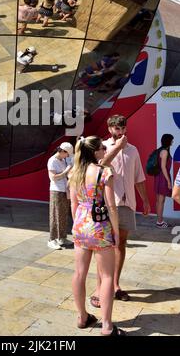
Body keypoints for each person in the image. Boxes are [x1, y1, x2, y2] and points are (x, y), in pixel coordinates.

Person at [91, 115, 151, 307]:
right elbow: (100, 167)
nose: (121, 131)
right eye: (117, 128)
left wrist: (145, 200)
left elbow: (139, 177)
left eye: (123, 127)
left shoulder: (133, 150)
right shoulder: (103, 147)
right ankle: (99, 288)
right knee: (104, 246)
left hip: (127, 203)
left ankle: (115, 284)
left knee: (121, 244)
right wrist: (117, 147)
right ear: (110, 129)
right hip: (108, 204)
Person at [69, 136, 126, 336]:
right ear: (95, 151)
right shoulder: (104, 172)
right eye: (102, 147)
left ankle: (82, 316)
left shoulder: (75, 172)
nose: (105, 149)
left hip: (80, 225)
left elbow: (73, 204)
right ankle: (107, 326)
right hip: (100, 227)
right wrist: (116, 232)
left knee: (79, 273)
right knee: (107, 275)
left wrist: (78, 225)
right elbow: (111, 205)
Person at [47, 142, 74, 250]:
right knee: (55, 215)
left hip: (64, 190)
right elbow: (53, 177)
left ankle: (62, 237)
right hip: (56, 191)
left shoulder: (62, 160)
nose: (67, 156)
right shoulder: (52, 160)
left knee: (63, 215)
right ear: (63, 151)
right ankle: (52, 239)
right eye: (67, 154)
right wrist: (66, 170)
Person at [154, 134, 174, 228]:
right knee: (161, 201)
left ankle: (159, 221)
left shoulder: (160, 151)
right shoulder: (165, 152)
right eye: (172, 140)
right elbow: (163, 167)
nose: (172, 142)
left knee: (159, 201)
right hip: (163, 178)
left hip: (158, 177)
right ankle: (160, 222)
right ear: (168, 141)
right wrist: (169, 181)